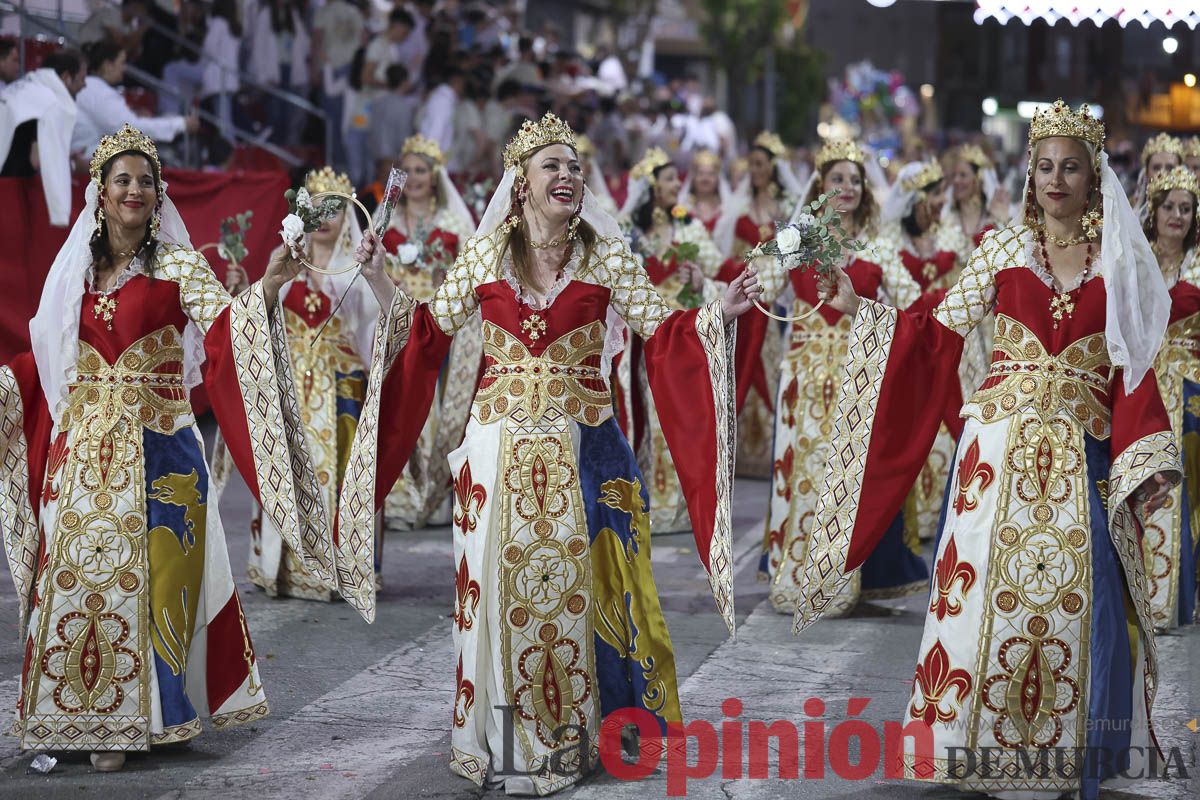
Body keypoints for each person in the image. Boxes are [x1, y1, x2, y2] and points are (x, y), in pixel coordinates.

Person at [334, 113, 760, 794]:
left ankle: (603, 723)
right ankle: (510, 734)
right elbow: (426, 330)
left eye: (573, 167)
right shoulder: (485, 256)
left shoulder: (607, 256)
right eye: (551, 167)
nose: (567, 176)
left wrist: (721, 313)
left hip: (591, 446)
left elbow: (663, 327)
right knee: (504, 595)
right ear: (521, 185)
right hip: (499, 453)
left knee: (608, 590)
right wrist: (382, 278)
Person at [806, 101, 1178, 800]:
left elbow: (1134, 368)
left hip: (1079, 457)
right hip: (997, 456)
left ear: (1094, 177)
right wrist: (861, 307)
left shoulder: (1121, 261)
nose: (1056, 179)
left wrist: (1144, 453)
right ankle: (967, 747)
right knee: (977, 599)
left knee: (1087, 598)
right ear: (1029, 174)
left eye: (1071, 166)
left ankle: (1070, 758)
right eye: (1045, 167)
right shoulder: (1002, 249)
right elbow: (933, 331)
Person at [0, 124, 325, 772]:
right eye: (122, 179)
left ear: (159, 193)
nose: (135, 190)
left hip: (163, 452)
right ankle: (82, 715)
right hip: (87, 455)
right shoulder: (77, 270)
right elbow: (46, 355)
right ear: (100, 191)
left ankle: (144, 719)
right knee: (81, 582)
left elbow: (229, 322)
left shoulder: (177, 263)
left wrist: (269, 285)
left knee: (162, 582)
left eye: (145, 181)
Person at [759, 139, 927, 614]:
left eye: (855, 180)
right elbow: (760, 287)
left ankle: (840, 578)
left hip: (859, 375)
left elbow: (914, 305)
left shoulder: (878, 247)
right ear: (819, 186)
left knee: (848, 475)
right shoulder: (796, 241)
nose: (848, 188)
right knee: (802, 471)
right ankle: (794, 574)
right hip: (805, 375)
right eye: (838, 179)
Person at [225, 167, 379, 600]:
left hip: (343, 386)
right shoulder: (287, 257)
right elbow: (257, 317)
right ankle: (287, 568)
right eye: (318, 207)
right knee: (287, 468)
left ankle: (340, 569)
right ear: (304, 212)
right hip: (290, 384)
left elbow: (373, 323)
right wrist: (246, 290)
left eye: (336, 208)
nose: (326, 217)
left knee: (342, 477)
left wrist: (371, 277)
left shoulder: (358, 263)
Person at [620, 146, 724, 533]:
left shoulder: (688, 227)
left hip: (682, 333)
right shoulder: (629, 232)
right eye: (667, 179)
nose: (676, 185)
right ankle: (644, 497)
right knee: (648, 412)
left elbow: (717, 273)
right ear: (650, 187)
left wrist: (701, 282)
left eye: (676, 179)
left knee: (680, 411)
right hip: (643, 338)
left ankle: (677, 506)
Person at [378, 133, 479, 530]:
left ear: (435, 176)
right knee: (398, 397)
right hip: (395, 320)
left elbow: (472, 269)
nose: (416, 178)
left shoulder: (454, 221)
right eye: (410, 171)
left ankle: (436, 493)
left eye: (422, 170)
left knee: (433, 400)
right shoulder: (385, 216)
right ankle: (399, 495)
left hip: (440, 322)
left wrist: (446, 277)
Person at [713, 131, 805, 478]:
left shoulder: (785, 208)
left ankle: (767, 449)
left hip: (772, 295)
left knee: (768, 363)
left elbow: (790, 254)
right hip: (745, 289)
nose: (754, 170)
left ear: (773, 167)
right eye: (750, 164)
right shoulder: (740, 207)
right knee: (738, 363)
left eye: (760, 164)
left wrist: (769, 276)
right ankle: (737, 449)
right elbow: (730, 251)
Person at [1140, 165, 1200, 631]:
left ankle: (1179, 598)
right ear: (1154, 212)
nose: (1177, 216)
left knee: (1190, 497)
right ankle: (1142, 596)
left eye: (1186, 208)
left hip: (1192, 395)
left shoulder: (1198, 264)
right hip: (1144, 389)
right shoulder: (1136, 262)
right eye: (1169, 207)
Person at [0, 49, 87, 226]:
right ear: (65, 77)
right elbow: (37, 159)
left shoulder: (24, 87)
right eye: (81, 78)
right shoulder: (50, 100)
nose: (84, 85)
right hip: (8, 189)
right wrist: (61, 214)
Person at [73, 40, 199, 160]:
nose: (125, 68)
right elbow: (133, 130)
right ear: (108, 66)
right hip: (89, 166)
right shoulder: (99, 92)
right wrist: (181, 124)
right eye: (122, 63)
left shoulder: (92, 87)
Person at [311, 0, 366, 174]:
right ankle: (348, 163)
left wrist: (316, 68)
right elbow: (364, 40)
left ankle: (335, 163)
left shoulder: (324, 12)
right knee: (349, 121)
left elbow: (317, 42)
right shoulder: (355, 12)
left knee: (332, 122)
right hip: (352, 70)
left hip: (332, 69)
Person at [246, 0, 310, 146]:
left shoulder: (293, 15)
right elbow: (258, 48)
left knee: (289, 115)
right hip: (273, 73)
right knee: (275, 115)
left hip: (289, 70)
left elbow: (303, 43)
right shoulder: (265, 15)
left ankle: (285, 149)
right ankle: (274, 150)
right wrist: (263, 75)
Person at [367, 64, 417, 178]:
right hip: (393, 158)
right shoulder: (404, 107)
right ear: (404, 82)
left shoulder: (377, 102)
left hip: (375, 155)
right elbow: (403, 137)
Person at [1134, 132, 1183, 220]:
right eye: (1156, 168)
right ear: (1146, 174)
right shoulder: (1131, 212)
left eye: (1170, 168)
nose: (1162, 173)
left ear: (1180, 172)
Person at [679, 148, 729, 233]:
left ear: (718, 179)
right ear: (693, 178)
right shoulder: (683, 205)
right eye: (700, 174)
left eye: (711, 174)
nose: (705, 179)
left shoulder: (726, 207)